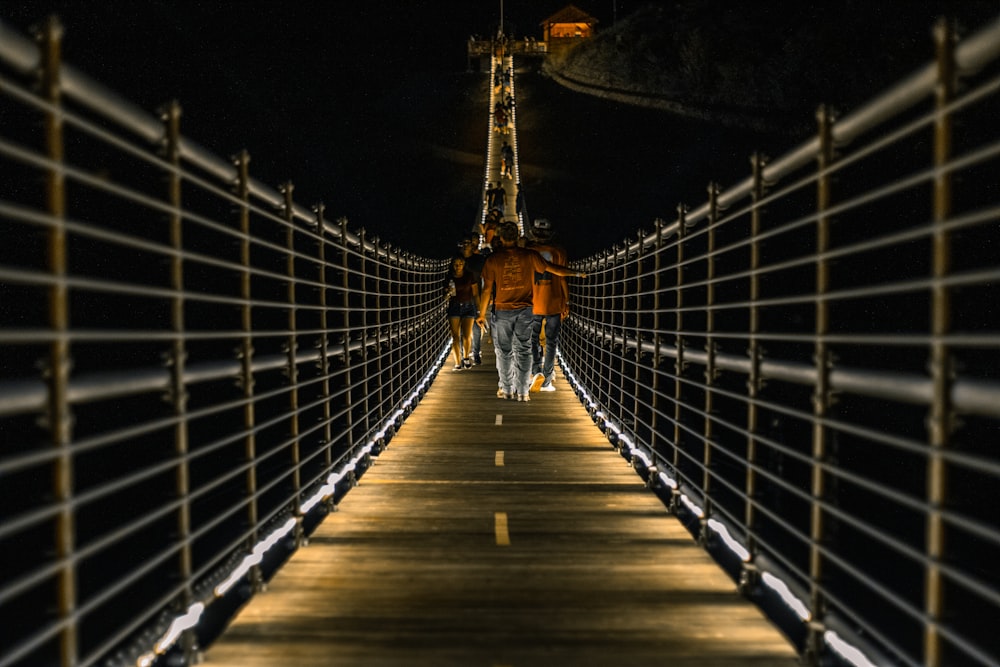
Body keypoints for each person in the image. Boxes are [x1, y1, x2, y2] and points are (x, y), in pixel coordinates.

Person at [476, 222, 585, 402]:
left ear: (500, 238)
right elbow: (555, 270)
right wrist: (576, 273)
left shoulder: (493, 259)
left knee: (504, 351)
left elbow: (487, 289)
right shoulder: (530, 255)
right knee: (524, 349)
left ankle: (507, 388)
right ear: (518, 235)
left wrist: (481, 314)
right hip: (526, 309)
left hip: (502, 309)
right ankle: (523, 391)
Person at [527, 218, 569, 392]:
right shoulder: (559, 252)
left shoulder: (527, 252)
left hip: (533, 302)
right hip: (554, 301)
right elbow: (562, 278)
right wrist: (567, 301)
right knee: (551, 341)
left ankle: (536, 370)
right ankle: (547, 379)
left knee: (532, 339)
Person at [444, 254, 479, 370]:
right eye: (455, 264)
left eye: (460, 264)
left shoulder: (469, 276)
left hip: (468, 306)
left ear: (464, 264)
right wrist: (447, 292)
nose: (457, 266)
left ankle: (466, 357)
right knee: (455, 336)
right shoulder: (449, 277)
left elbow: (475, 293)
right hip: (454, 306)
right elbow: (445, 296)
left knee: (466, 335)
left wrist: (478, 310)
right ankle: (457, 362)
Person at [459, 233, 487, 365]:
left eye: (467, 243)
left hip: (475, 295)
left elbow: (485, 277)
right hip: (460, 297)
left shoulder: (479, 260)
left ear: (473, 245)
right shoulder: (457, 260)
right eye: (463, 243)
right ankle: (464, 354)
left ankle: (476, 353)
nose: (465, 246)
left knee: (476, 327)